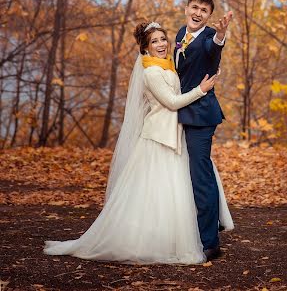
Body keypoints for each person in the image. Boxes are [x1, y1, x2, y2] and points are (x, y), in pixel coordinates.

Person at [44, 22, 233, 265]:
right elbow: (172, 102)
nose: (161, 44)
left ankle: (173, 236)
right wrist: (201, 90)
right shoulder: (150, 72)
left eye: (163, 39)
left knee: (174, 191)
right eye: (154, 41)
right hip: (158, 137)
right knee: (155, 192)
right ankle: (147, 239)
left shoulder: (165, 65)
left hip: (174, 134)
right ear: (145, 47)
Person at [175, 0, 233, 261]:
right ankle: (192, 227)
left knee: (201, 178)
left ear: (210, 16)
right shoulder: (179, 34)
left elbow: (213, 50)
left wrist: (221, 35)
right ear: (186, 8)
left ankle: (210, 242)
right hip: (177, 111)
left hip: (200, 115)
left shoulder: (211, 36)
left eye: (204, 10)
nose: (198, 13)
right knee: (183, 175)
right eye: (195, 7)